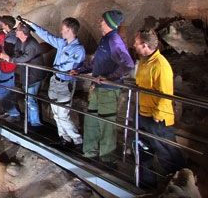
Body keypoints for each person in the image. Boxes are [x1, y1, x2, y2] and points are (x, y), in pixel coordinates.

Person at [71, 10, 134, 164]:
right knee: (91, 120)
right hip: (98, 88)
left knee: (107, 124)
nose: (100, 22)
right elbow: (95, 62)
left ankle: (107, 158)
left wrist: (110, 78)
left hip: (109, 90)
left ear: (109, 23)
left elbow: (128, 64)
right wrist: (79, 70)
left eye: (102, 20)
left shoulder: (114, 40)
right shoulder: (105, 39)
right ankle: (89, 152)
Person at [133, 29, 186, 187]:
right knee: (143, 150)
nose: (133, 45)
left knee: (167, 154)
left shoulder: (160, 65)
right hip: (143, 113)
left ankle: (181, 187)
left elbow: (166, 93)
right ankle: (147, 183)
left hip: (158, 119)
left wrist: (157, 115)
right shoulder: (144, 61)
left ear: (144, 45)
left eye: (136, 43)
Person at [24, 17, 86, 145]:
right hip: (55, 81)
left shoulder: (78, 49)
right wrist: (31, 25)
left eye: (63, 29)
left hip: (65, 84)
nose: (61, 31)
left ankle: (77, 140)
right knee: (56, 114)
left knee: (63, 114)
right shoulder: (62, 43)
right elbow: (47, 36)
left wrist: (54, 68)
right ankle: (64, 138)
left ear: (69, 30)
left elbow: (69, 66)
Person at [4, 22, 46, 126]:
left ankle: (35, 123)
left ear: (23, 33)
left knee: (31, 98)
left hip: (34, 75)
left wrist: (11, 59)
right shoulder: (19, 40)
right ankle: (29, 120)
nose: (15, 31)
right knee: (28, 97)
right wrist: (15, 58)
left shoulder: (32, 44)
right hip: (26, 73)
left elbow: (25, 58)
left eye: (17, 30)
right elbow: (17, 52)